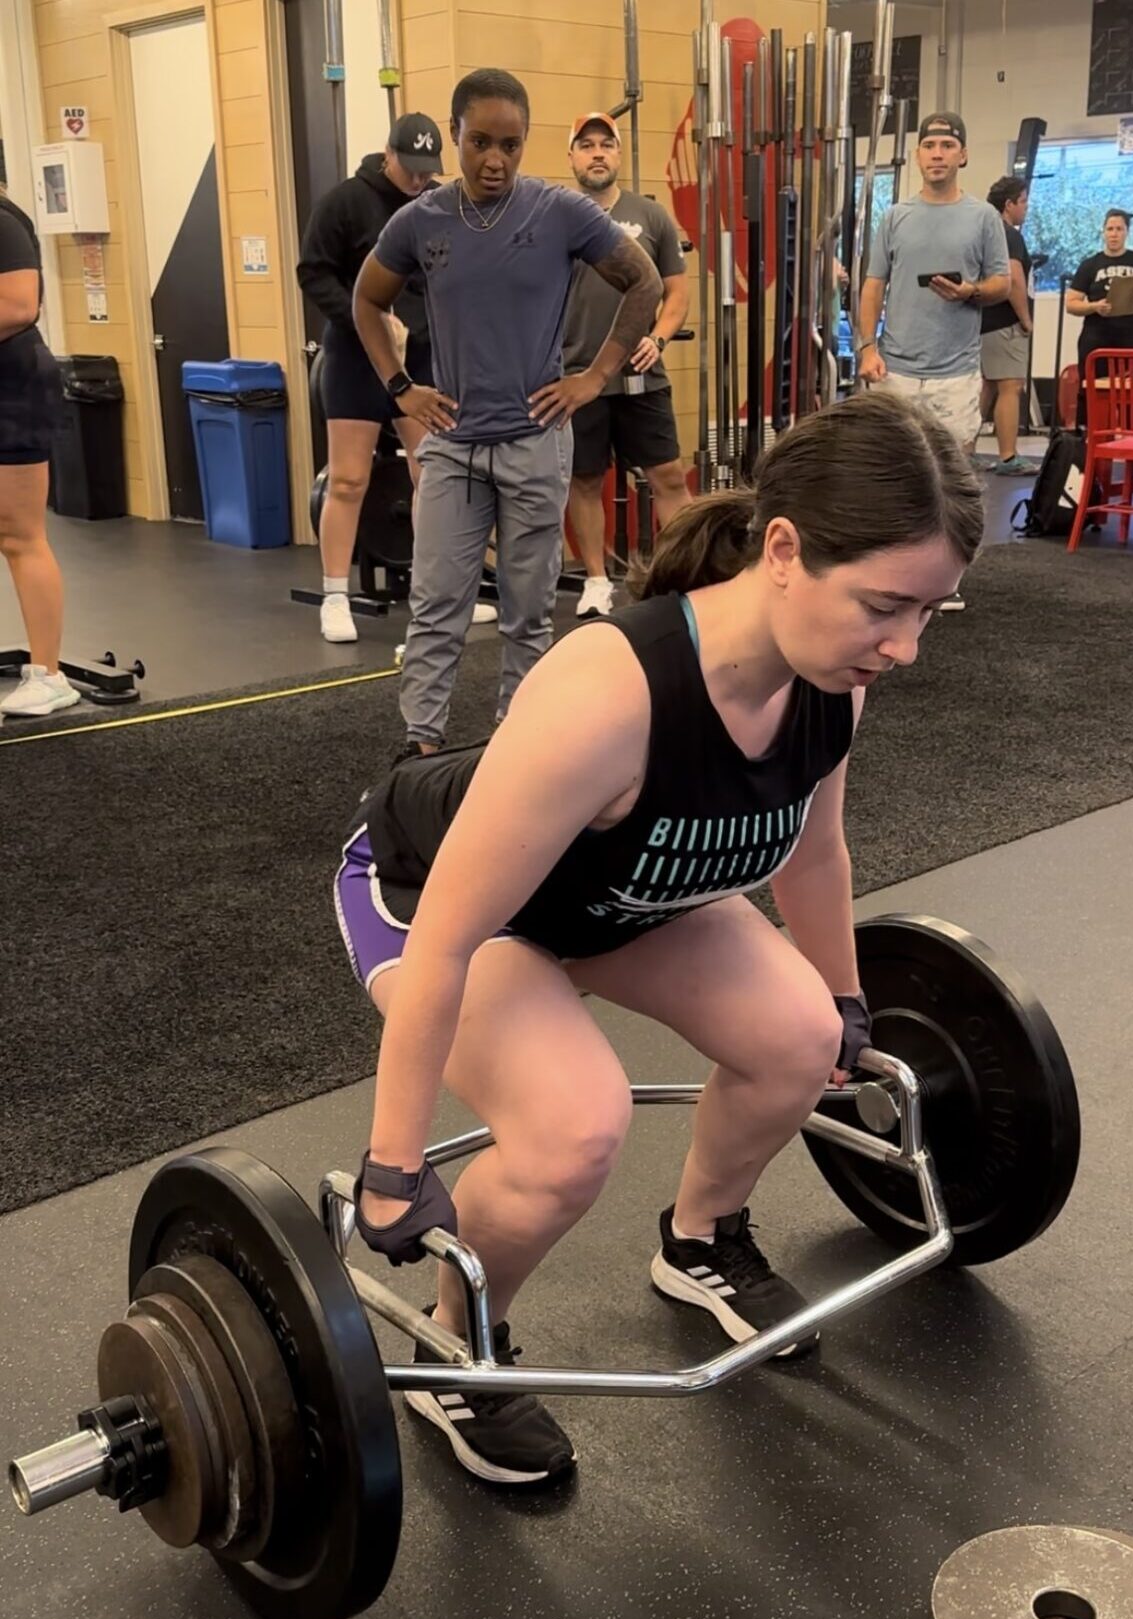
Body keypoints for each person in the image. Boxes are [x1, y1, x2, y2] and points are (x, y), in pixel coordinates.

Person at [332, 389, 984, 1487]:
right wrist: (392, 1164)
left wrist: (846, 997)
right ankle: (457, 1347)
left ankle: (700, 1240)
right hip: (445, 903)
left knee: (795, 1039)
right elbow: (446, 937)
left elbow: (813, 855)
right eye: (886, 604)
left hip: (622, 894)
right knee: (572, 1129)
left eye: (932, 611)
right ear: (783, 550)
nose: (906, 646)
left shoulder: (835, 679)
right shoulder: (606, 693)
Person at [352, 68, 662, 756]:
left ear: (526, 144)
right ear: (456, 135)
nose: (495, 160)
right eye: (481, 142)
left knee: (528, 614)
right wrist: (401, 387)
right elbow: (365, 301)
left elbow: (642, 281)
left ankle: (517, 744)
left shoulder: (560, 213)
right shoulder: (420, 222)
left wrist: (595, 376)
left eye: (511, 145)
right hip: (455, 447)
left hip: (534, 442)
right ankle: (420, 745)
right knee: (437, 608)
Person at [297, 113, 449, 644]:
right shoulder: (345, 201)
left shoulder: (436, 205)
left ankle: (441, 591)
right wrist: (371, 320)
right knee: (349, 479)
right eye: (409, 169)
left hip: (421, 355)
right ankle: (335, 595)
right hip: (357, 353)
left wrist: (426, 329)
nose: (417, 180)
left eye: (426, 172)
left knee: (433, 474)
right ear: (388, 154)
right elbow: (313, 271)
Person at [562, 111, 691, 619]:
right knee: (586, 481)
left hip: (642, 375)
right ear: (571, 156)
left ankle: (680, 575)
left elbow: (676, 293)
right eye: (586, 145)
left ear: (618, 154)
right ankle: (596, 582)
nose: (597, 153)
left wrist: (658, 339)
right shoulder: (557, 216)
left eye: (605, 145)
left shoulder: (651, 216)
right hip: (576, 375)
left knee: (669, 476)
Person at [857, 112, 1010, 456]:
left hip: (955, 373)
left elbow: (1002, 284)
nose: (937, 153)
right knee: (891, 472)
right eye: (929, 145)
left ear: (963, 155)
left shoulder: (984, 217)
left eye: (947, 145)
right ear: (918, 155)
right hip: (895, 371)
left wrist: (971, 291)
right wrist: (867, 349)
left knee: (955, 474)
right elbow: (873, 286)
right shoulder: (896, 216)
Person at [0, 188, 79, 719]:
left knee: (18, 534)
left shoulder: (2, 222)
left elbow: (18, 305)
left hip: (11, 387)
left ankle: (49, 675)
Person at [1066, 209, 1133, 408]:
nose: (1114, 233)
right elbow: (1071, 304)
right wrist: (1094, 306)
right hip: (1096, 337)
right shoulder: (1089, 265)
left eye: (1119, 229)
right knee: (1093, 391)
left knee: (1132, 393)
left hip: (1131, 336)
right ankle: (1091, 433)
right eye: (1110, 229)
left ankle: (1132, 433)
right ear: (1103, 232)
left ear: (1127, 232)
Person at [979, 176, 1035, 475]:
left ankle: (965, 451)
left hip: (982, 323)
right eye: (1023, 201)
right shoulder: (1009, 235)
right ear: (1009, 204)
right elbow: (1013, 279)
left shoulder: (984, 231)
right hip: (1004, 323)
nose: (1026, 207)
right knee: (1010, 386)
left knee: (986, 386)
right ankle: (1008, 457)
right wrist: (1025, 320)